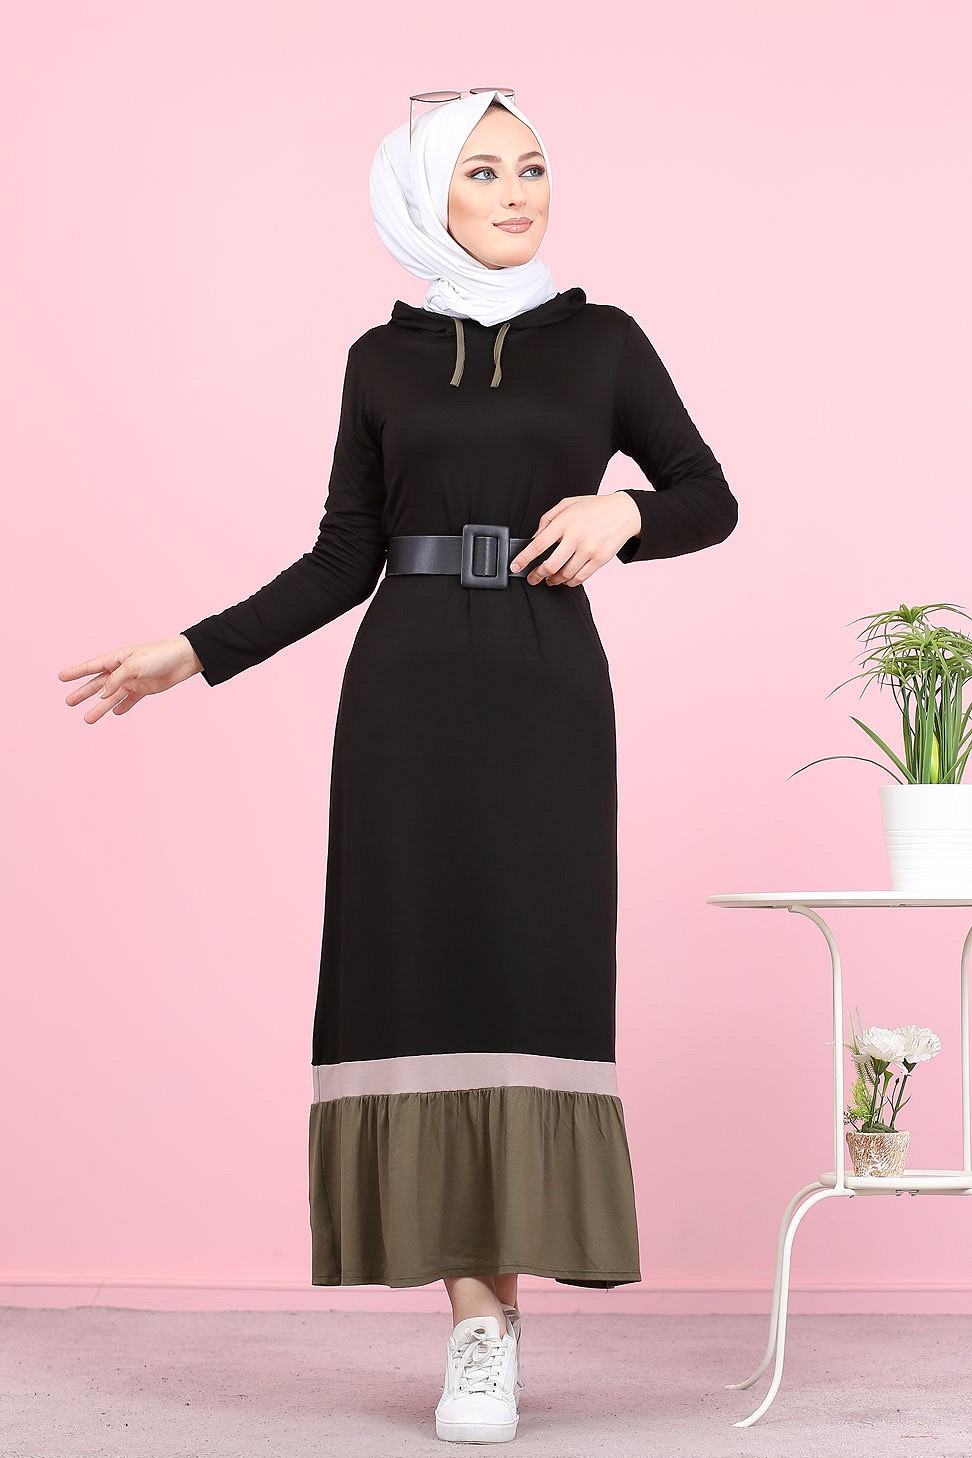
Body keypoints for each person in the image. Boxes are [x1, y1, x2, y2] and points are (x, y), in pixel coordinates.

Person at [58, 88, 738, 1444]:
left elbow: (709, 497)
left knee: (531, 973)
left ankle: (508, 1299)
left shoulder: (604, 340)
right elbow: (342, 556)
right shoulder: (380, 360)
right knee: (418, 973)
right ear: (427, 194)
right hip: (405, 699)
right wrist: (191, 651)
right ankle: (477, 1324)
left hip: (548, 694)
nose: (516, 191)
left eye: (532, 166)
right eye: (481, 171)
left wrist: (627, 511)